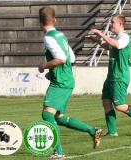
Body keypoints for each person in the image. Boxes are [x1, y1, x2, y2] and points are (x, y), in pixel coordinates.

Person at [38, 6, 102, 158]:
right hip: (66, 78)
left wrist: (44, 66)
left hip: (60, 82)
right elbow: (71, 58)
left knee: (47, 115)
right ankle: (93, 131)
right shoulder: (61, 35)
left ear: (39, 21)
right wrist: (54, 72)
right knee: (57, 117)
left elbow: (62, 59)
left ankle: (58, 152)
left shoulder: (48, 37)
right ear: (55, 20)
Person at [85, 14, 131, 137]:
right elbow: (108, 45)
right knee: (106, 102)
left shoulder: (124, 38)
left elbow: (117, 45)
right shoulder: (116, 37)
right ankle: (113, 131)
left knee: (119, 105)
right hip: (111, 77)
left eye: (112, 22)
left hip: (119, 77)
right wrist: (95, 40)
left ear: (120, 24)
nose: (110, 24)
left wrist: (102, 34)